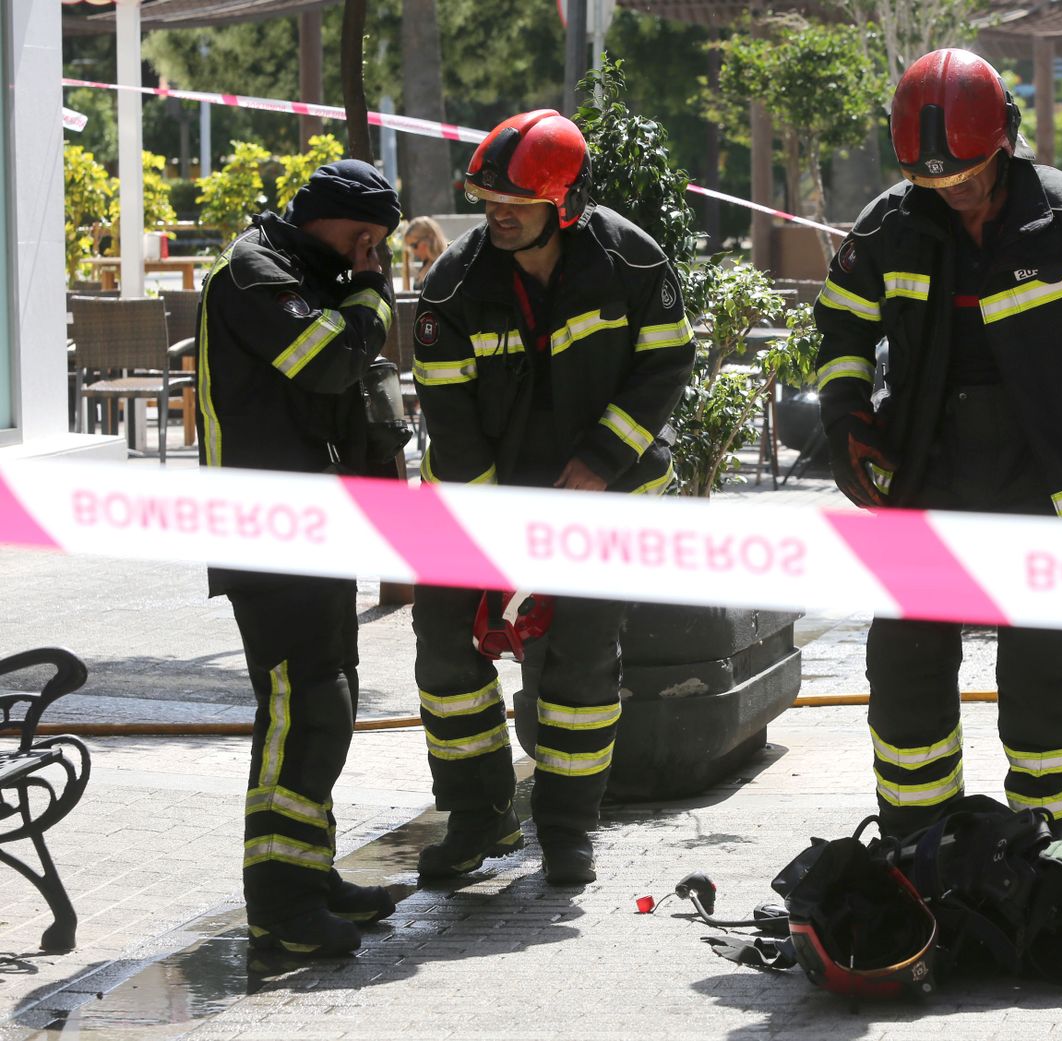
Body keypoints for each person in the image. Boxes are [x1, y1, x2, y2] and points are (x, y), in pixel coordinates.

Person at [812, 49, 1062, 838]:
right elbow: (843, 318)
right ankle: (921, 852)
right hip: (925, 480)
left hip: (1044, 486)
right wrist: (844, 414)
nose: (954, 192)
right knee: (906, 671)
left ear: (1006, 141)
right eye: (934, 180)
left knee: (1043, 681)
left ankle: (1049, 859)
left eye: (969, 175)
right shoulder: (891, 227)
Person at [410, 110, 693, 886]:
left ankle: (566, 827)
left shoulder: (630, 262)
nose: (496, 216)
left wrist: (602, 461)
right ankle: (478, 816)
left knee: (581, 664)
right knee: (443, 641)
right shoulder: (454, 288)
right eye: (488, 202)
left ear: (563, 204)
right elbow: (454, 430)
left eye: (515, 206)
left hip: (604, 501)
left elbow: (666, 364)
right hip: (481, 504)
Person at [196, 159, 406, 957]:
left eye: (379, 242)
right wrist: (368, 298)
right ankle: (278, 903)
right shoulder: (256, 275)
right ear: (322, 216)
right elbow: (326, 360)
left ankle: (313, 876)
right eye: (363, 233)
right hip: (266, 531)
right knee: (300, 709)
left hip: (316, 528)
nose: (370, 251)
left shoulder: (309, 273)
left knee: (332, 700)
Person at [404, 215, 448, 285]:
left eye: (414, 245)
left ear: (429, 238)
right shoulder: (426, 263)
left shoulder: (446, 263)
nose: (413, 251)